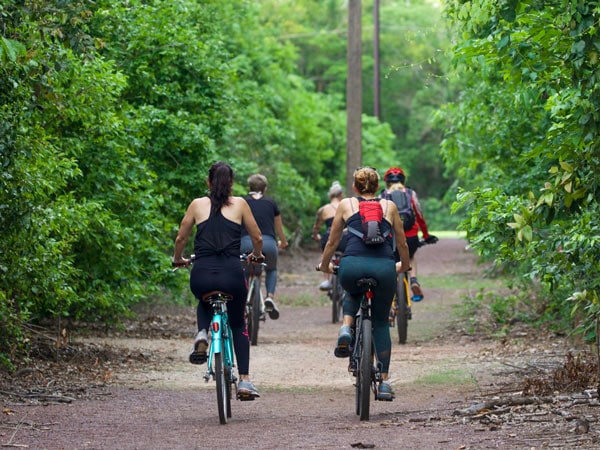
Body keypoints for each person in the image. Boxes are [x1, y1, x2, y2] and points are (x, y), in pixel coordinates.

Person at [172, 162, 264, 399]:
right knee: (238, 325)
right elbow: (257, 236)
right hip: (232, 274)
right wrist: (256, 254)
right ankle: (244, 380)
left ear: (208, 182)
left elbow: (181, 237)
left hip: (202, 273)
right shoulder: (240, 204)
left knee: (204, 300)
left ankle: (202, 332)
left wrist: (178, 258)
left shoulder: (197, 205)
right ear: (231, 183)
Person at [318, 167, 411, 400]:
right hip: (384, 269)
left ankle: (346, 328)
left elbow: (332, 242)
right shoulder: (389, 207)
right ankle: (385, 381)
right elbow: (402, 244)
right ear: (378, 186)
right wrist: (405, 266)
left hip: (352, 265)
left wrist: (325, 265)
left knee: (352, 288)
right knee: (380, 323)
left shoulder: (345, 205)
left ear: (355, 187)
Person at [381, 167, 438, 301]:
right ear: (403, 180)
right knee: (410, 256)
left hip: (391, 237)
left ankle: (393, 292)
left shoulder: (383, 195)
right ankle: (413, 281)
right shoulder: (410, 193)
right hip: (410, 236)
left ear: (387, 182)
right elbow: (419, 215)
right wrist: (426, 235)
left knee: (392, 261)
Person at [240, 174, 288, 320]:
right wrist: (283, 242)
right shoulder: (271, 203)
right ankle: (270, 297)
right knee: (271, 269)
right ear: (265, 189)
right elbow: (279, 228)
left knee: (243, 270)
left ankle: (242, 298)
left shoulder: (242, 202)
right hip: (268, 243)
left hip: (246, 242)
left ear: (249, 188)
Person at [311, 181, 348, 291]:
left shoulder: (323, 210)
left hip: (329, 236)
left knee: (326, 252)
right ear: (341, 194)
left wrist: (315, 235)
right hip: (345, 237)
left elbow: (316, 228)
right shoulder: (347, 207)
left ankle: (326, 279)